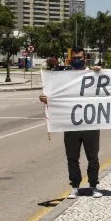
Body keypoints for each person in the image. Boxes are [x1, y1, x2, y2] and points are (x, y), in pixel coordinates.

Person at [39, 47, 104, 199]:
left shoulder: (94, 74)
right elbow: (54, 95)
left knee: (93, 157)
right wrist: (45, 98)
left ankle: (93, 186)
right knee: (72, 157)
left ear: (85, 59)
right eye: (74, 57)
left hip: (91, 124)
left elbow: (107, 87)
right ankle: (75, 186)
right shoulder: (63, 77)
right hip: (71, 124)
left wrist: (100, 71)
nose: (77, 60)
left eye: (79, 58)